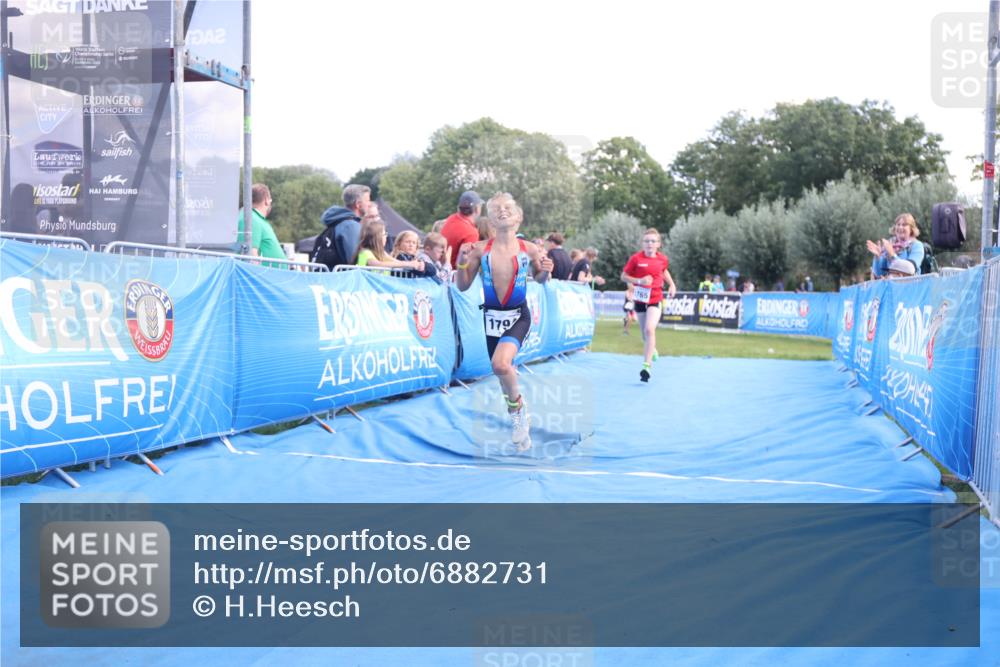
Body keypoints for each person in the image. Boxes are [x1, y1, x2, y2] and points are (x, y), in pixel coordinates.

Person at [455, 193, 553, 450]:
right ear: (489, 219)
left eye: (508, 208)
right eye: (496, 208)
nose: (502, 211)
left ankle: (521, 416)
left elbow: (541, 279)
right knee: (501, 374)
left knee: (501, 364)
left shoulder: (529, 249)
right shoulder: (479, 250)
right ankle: (518, 418)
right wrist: (461, 263)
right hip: (491, 317)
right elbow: (463, 286)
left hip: (518, 315)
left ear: (518, 218)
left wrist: (546, 270)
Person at [621, 228, 677, 383]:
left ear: (658, 244)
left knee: (649, 329)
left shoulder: (662, 259)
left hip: (655, 298)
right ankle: (652, 349)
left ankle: (646, 367)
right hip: (640, 299)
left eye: (653, 241)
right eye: (647, 241)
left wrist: (672, 284)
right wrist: (639, 281)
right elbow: (623, 276)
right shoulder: (636, 259)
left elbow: (664, 271)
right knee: (644, 335)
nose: (650, 244)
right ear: (642, 243)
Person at [311, 184, 371, 270]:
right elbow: (354, 260)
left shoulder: (336, 221)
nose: (370, 204)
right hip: (338, 280)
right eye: (368, 200)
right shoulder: (350, 226)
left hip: (325, 277)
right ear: (358, 204)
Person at [236, 183, 285, 267]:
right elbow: (251, 253)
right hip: (267, 277)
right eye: (270, 200)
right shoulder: (251, 218)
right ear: (266, 200)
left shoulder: (252, 217)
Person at [867, 213, 924, 279]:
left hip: (911, 287)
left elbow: (910, 269)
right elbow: (879, 274)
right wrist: (878, 257)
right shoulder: (889, 245)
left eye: (904, 225)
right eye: (898, 224)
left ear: (911, 229)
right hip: (892, 287)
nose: (900, 227)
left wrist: (892, 255)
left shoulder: (917, 245)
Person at [352, 220, 425, 272]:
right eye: (384, 234)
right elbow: (377, 265)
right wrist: (409, 264)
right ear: (377, 237)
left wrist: (413, 263)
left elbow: (396, 262)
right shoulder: (365, 252)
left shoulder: (382, 253)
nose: (386, 237)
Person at [441, 191, 483, 266]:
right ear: (477, 209)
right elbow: (468, 266)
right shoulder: (471, 233)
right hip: (453, 274)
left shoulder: (451, 218)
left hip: (441, 270)